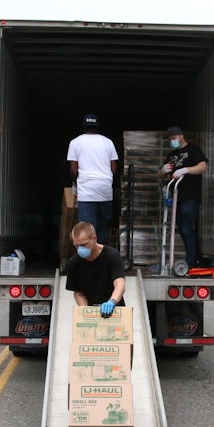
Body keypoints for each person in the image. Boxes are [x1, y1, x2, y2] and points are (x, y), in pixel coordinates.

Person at [66, 114, 118, 245]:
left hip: (87, 191)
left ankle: (90, 262)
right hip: (105, 191)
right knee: (102, 228)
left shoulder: (75, 142)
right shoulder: (108, 142)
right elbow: (113, 168)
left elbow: (73, 170)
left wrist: (75, 183)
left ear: (83, 127)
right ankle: (102, 260)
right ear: (97, 127)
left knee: (87, 230)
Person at [161, 126, 208, 268]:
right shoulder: (172, 155)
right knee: (182, 229)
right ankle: (192, 259)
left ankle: (192, 263)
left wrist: (186, 169)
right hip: (176, 198)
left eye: (173, 138)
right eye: (170, 139)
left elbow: (202, 167)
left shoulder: (193, 150)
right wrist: (162, 170)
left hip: (190, 197)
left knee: (187, 228)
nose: (172, 141)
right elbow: (160, 174)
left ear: (181, 136)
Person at [65, 221, 126, 318]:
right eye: (77, 246)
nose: (80, 249)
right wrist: (86, 312)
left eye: (84, 245)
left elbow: (120, 284)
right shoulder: (74, 263)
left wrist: (112, 301)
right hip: (92, 313)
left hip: (115, 312)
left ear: (94, 238)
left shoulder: (112, 256)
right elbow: (78, 293)